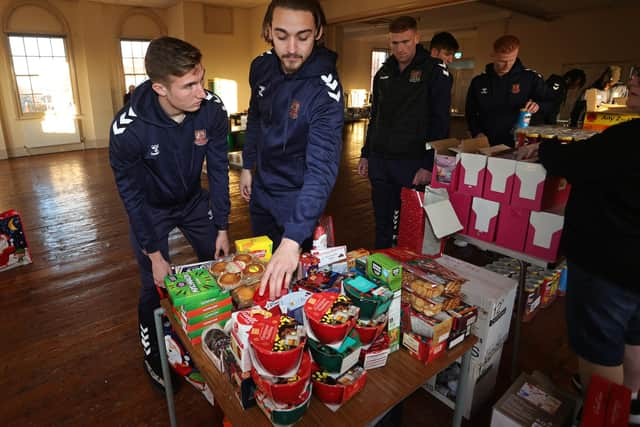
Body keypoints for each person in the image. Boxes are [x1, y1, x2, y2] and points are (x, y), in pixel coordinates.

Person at [109, 36, 231, 389]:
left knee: (222, 265)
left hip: (194, 200)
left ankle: (220, 336)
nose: (202, 91)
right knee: (153, 283)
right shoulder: (128, 130)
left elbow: (220, 168)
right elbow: (130, 196)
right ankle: (154, 356)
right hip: (151, 208)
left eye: (202, 79)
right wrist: (154, 254)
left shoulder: (211, 108)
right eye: (190, 85)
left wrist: (222, 225)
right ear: (159, 87)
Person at [538, 69, 640, 424]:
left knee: (599, 354)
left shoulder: (628, 139)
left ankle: (603, 417)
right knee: (633, 338)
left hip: (609, 267)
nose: (634, 81)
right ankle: (631, 408)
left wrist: (545, 146)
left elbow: (572, 163)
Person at [240, 0, 344, 299]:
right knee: (261, 274)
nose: (292, 48)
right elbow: (256, 116)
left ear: (319, 32)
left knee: (299, 287)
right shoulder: (260, 67)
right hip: (261, 189)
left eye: (303, 36)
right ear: (268, 31)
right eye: (282, 35)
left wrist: (294, 239)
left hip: (297, 198)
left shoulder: (325, 91)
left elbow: (322, 169)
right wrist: (248, 166)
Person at [357, 16, 453, 249]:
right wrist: (366, 153)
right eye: (395, 43)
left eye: (406, 42)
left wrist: (428, 164)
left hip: (411, 163)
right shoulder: (383, 74)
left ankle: (406, 274)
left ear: (417, 38)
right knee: (382, 222)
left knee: (408, 226)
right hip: (380, 160)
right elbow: (375, 116)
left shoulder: (434, 72)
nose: (400, 49)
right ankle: (380, 265)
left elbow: (441, 123)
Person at [465, 34, 549, 146]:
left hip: (520, 143)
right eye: (502, 61)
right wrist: (477, 132)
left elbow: (550, 103)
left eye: (511, 60)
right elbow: (470, 112)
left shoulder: (530, 78)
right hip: (487, 142)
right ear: (493, 55)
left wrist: (538, 105)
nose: (506, 66)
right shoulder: (479, 81)